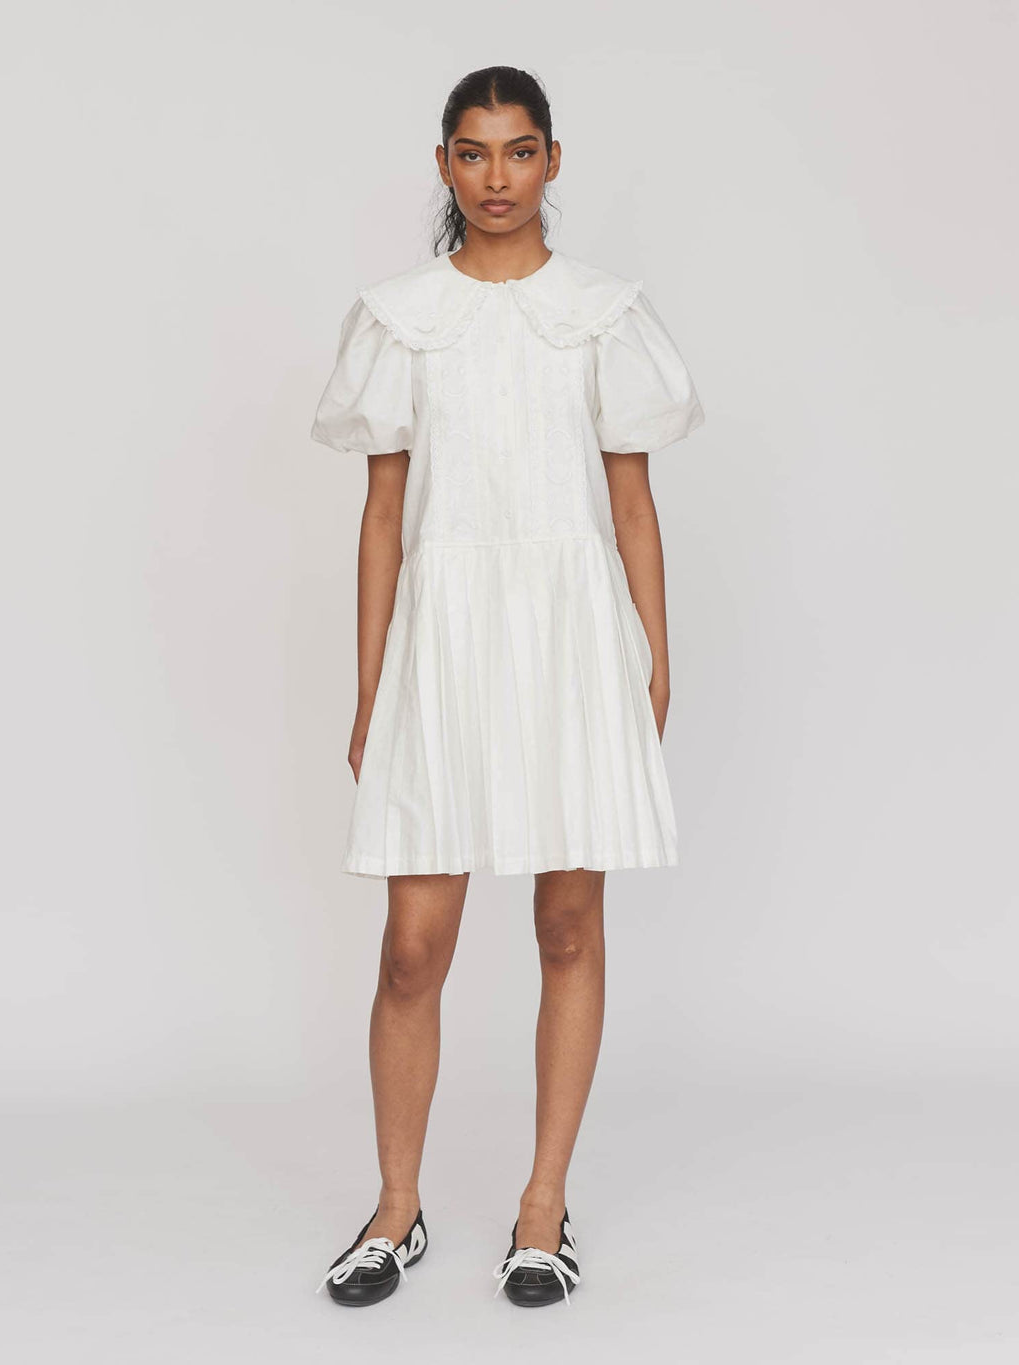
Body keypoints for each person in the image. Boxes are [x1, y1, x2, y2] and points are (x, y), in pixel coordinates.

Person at [309, 65, 705, 1310]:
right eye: (473, 154)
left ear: (551, 161)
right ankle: (396, 1208)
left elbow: (631, 503)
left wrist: (652, 656)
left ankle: (543, 1208)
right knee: (412, 947)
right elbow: (383, 518)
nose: (496, 178)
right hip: (444, 639)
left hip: (572, 638)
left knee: (567, 924)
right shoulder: (401, 318)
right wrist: (371, 686)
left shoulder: (600, 314)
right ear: (443, 165)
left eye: (519, 151)